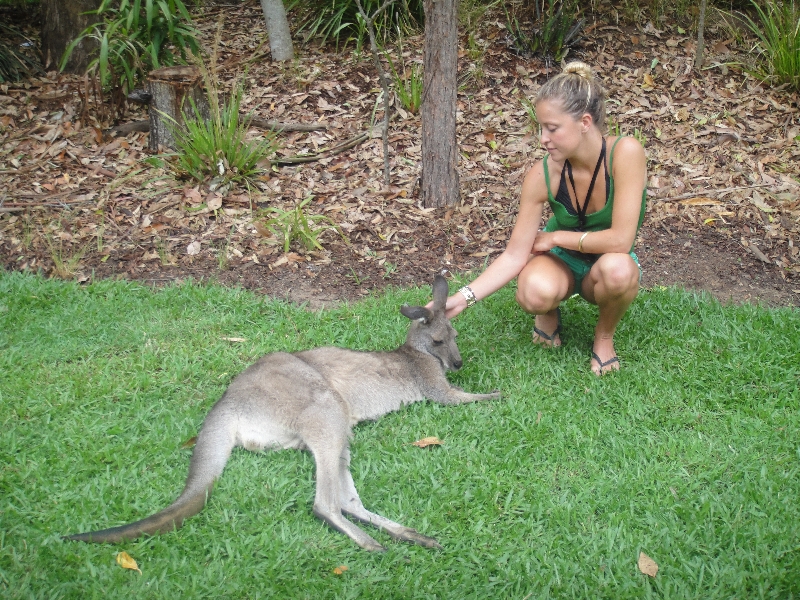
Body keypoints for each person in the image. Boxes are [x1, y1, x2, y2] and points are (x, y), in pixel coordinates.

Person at [442, 61, 647, 375]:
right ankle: (548, 312)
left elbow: (621, 240)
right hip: (561, 262)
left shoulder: (625, 153)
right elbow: (514, 254)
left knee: (618, 269)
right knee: (534, 292)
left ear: (585, 122)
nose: (543, 139)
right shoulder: (542, 174)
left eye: (552, 128)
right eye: (540, 128)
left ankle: (603, 336)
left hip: (605, 262)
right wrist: (461, 298)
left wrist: (554, 237)